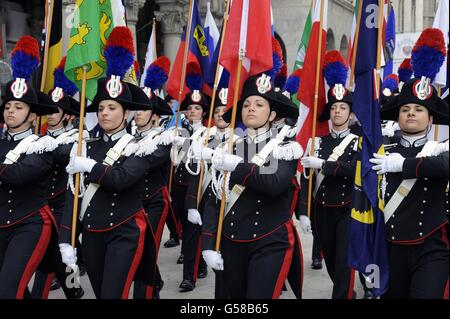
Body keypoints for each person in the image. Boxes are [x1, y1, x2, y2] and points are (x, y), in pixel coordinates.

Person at [58, 27, 159, 299]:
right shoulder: (86, 145)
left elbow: (122, 179)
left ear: (127, 113)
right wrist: (67, 238)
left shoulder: (140, 145)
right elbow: (74, 194)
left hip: (125, 231)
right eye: (101, 108)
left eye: (112, 107)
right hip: (92, 233)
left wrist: (90, 167)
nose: (104, 113)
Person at [202, 72, 303, 298]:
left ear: (272, 114)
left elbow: (275, 183)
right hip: (230, 241)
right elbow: (214, 199)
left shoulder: (283, 146)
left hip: (270, 240)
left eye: (259, 104)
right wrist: (207, 243)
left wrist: (237, 166)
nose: (251, 108)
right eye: (246, 104)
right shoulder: (228, 148)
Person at [370, 28, 449, 299]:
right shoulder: (382, 149)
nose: (411, 113)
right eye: (406, 109)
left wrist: (401, 165)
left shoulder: (442, 147)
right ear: (398, 115)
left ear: (430, 118)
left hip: (432, 248)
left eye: (419, 110)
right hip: (391, 246)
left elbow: (442, 166)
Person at [0, 36, 59, 299]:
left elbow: (21, 174)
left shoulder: (43, 144)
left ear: (33, 115)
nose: (11, 110)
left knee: (8, 290)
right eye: (8, 106)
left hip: (30, 224)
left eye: (19, 106)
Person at [297, 51, 359, 299]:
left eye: (343, 107)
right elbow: (306, 179)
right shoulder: (316, 142)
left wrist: (323, 164)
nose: (337, 112)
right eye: (334, 107)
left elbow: (354, 169)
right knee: (333, 262)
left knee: (344, 263)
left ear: (350, 112)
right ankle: (346, 293)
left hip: (348, 209)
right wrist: (303, 211)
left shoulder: (358, 141)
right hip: (323, 209)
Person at [31, 56, 86, 299]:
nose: (51, 115)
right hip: (39, 202)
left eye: (57, 111)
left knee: (64, 251)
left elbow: (65, 155)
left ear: (67, 115)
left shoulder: (76, 136)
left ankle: (73, 289)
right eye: (49, 111)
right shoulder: (37, 136)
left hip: (65, 202)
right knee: (45, 254)